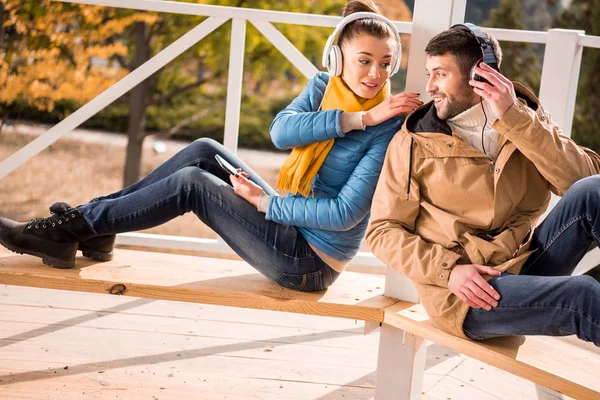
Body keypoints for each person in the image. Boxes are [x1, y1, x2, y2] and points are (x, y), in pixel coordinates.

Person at [0, 0, 421, 292]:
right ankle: (95, 227)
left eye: (385, 63)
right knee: (204, 149)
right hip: (291, 226)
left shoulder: (389, 125)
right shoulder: (323, 89)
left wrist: (266, 204)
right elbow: (280, 133)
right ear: (337, 59)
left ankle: (74, 229)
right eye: (364, 60)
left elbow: (345, 215)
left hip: (308, 262)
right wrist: (357, 118)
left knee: (192, 183)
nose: (375, 74)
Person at [366, 23, 600, 346]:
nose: (429, 86)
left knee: (594, 193)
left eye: (440, 74)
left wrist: (516, 119)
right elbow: (382, 231)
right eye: (429, 73)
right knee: (582, 295)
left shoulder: (525, 118)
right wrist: (449, 270)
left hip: (523, 263)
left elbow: (583, 179)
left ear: (480, 76)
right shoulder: (414, 141)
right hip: (466, 294)